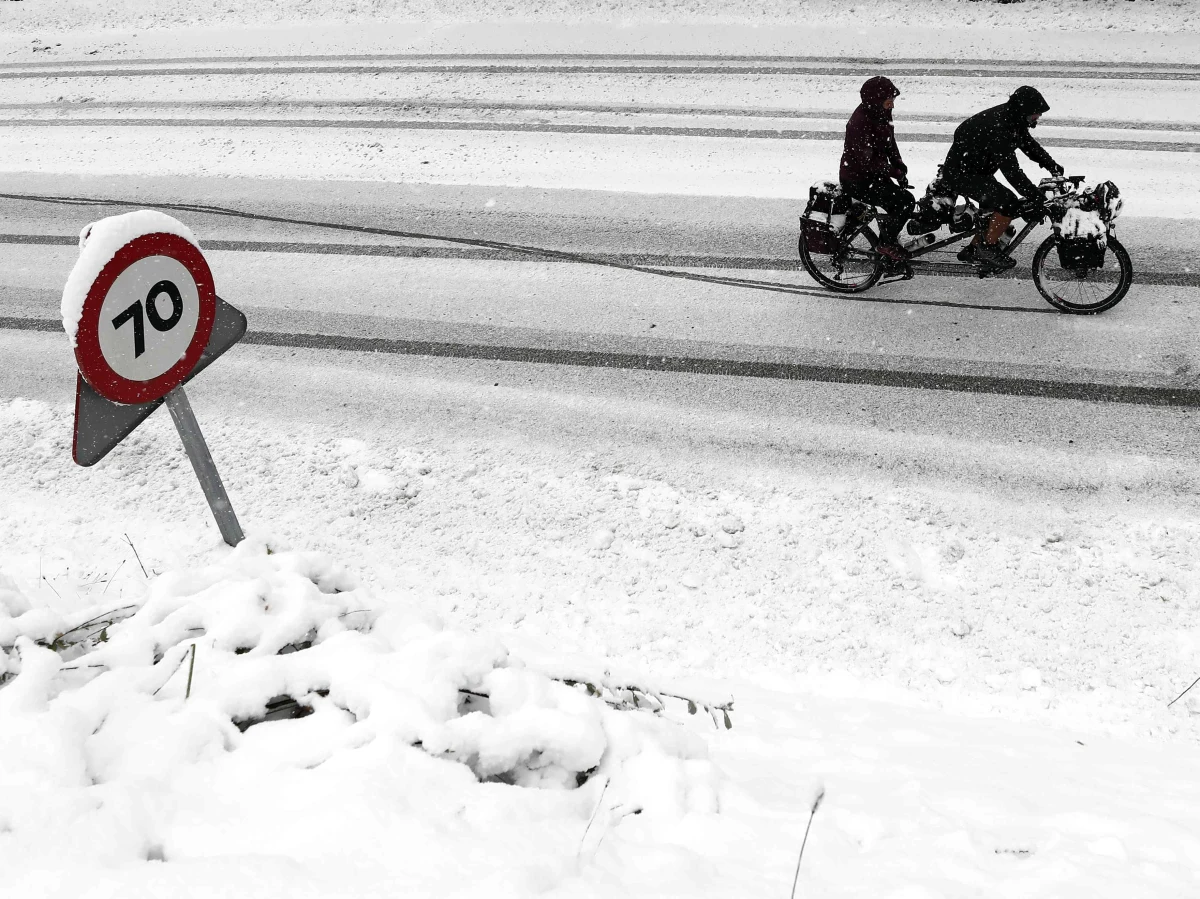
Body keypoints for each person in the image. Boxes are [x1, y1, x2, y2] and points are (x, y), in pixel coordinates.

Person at [940, 86, 1063, 270]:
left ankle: (973, 249)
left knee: (994, 205)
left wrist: (1051, 164)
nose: (1038, 117)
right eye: (1036, 113)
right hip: (961, 175)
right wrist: (1034, 196)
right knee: (1008, 203)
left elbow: (1028, 145)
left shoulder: (1013, 119)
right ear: (1024, 111)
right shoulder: (1000, 127)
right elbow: (1012, 172)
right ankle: (987, 247)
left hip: (976, 172)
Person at [839, 76, 914, 265]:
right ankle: (886, 244)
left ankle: (888, 243)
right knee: (904, 203)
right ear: (876, 100)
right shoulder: (860, 122)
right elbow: (868, 162)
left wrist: (899, 165)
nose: (892, 106)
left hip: (873, 176)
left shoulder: (880, 112)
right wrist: (894, 173)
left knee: (898, 202)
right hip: (858, 180)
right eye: (889, 102)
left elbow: (890, 142)